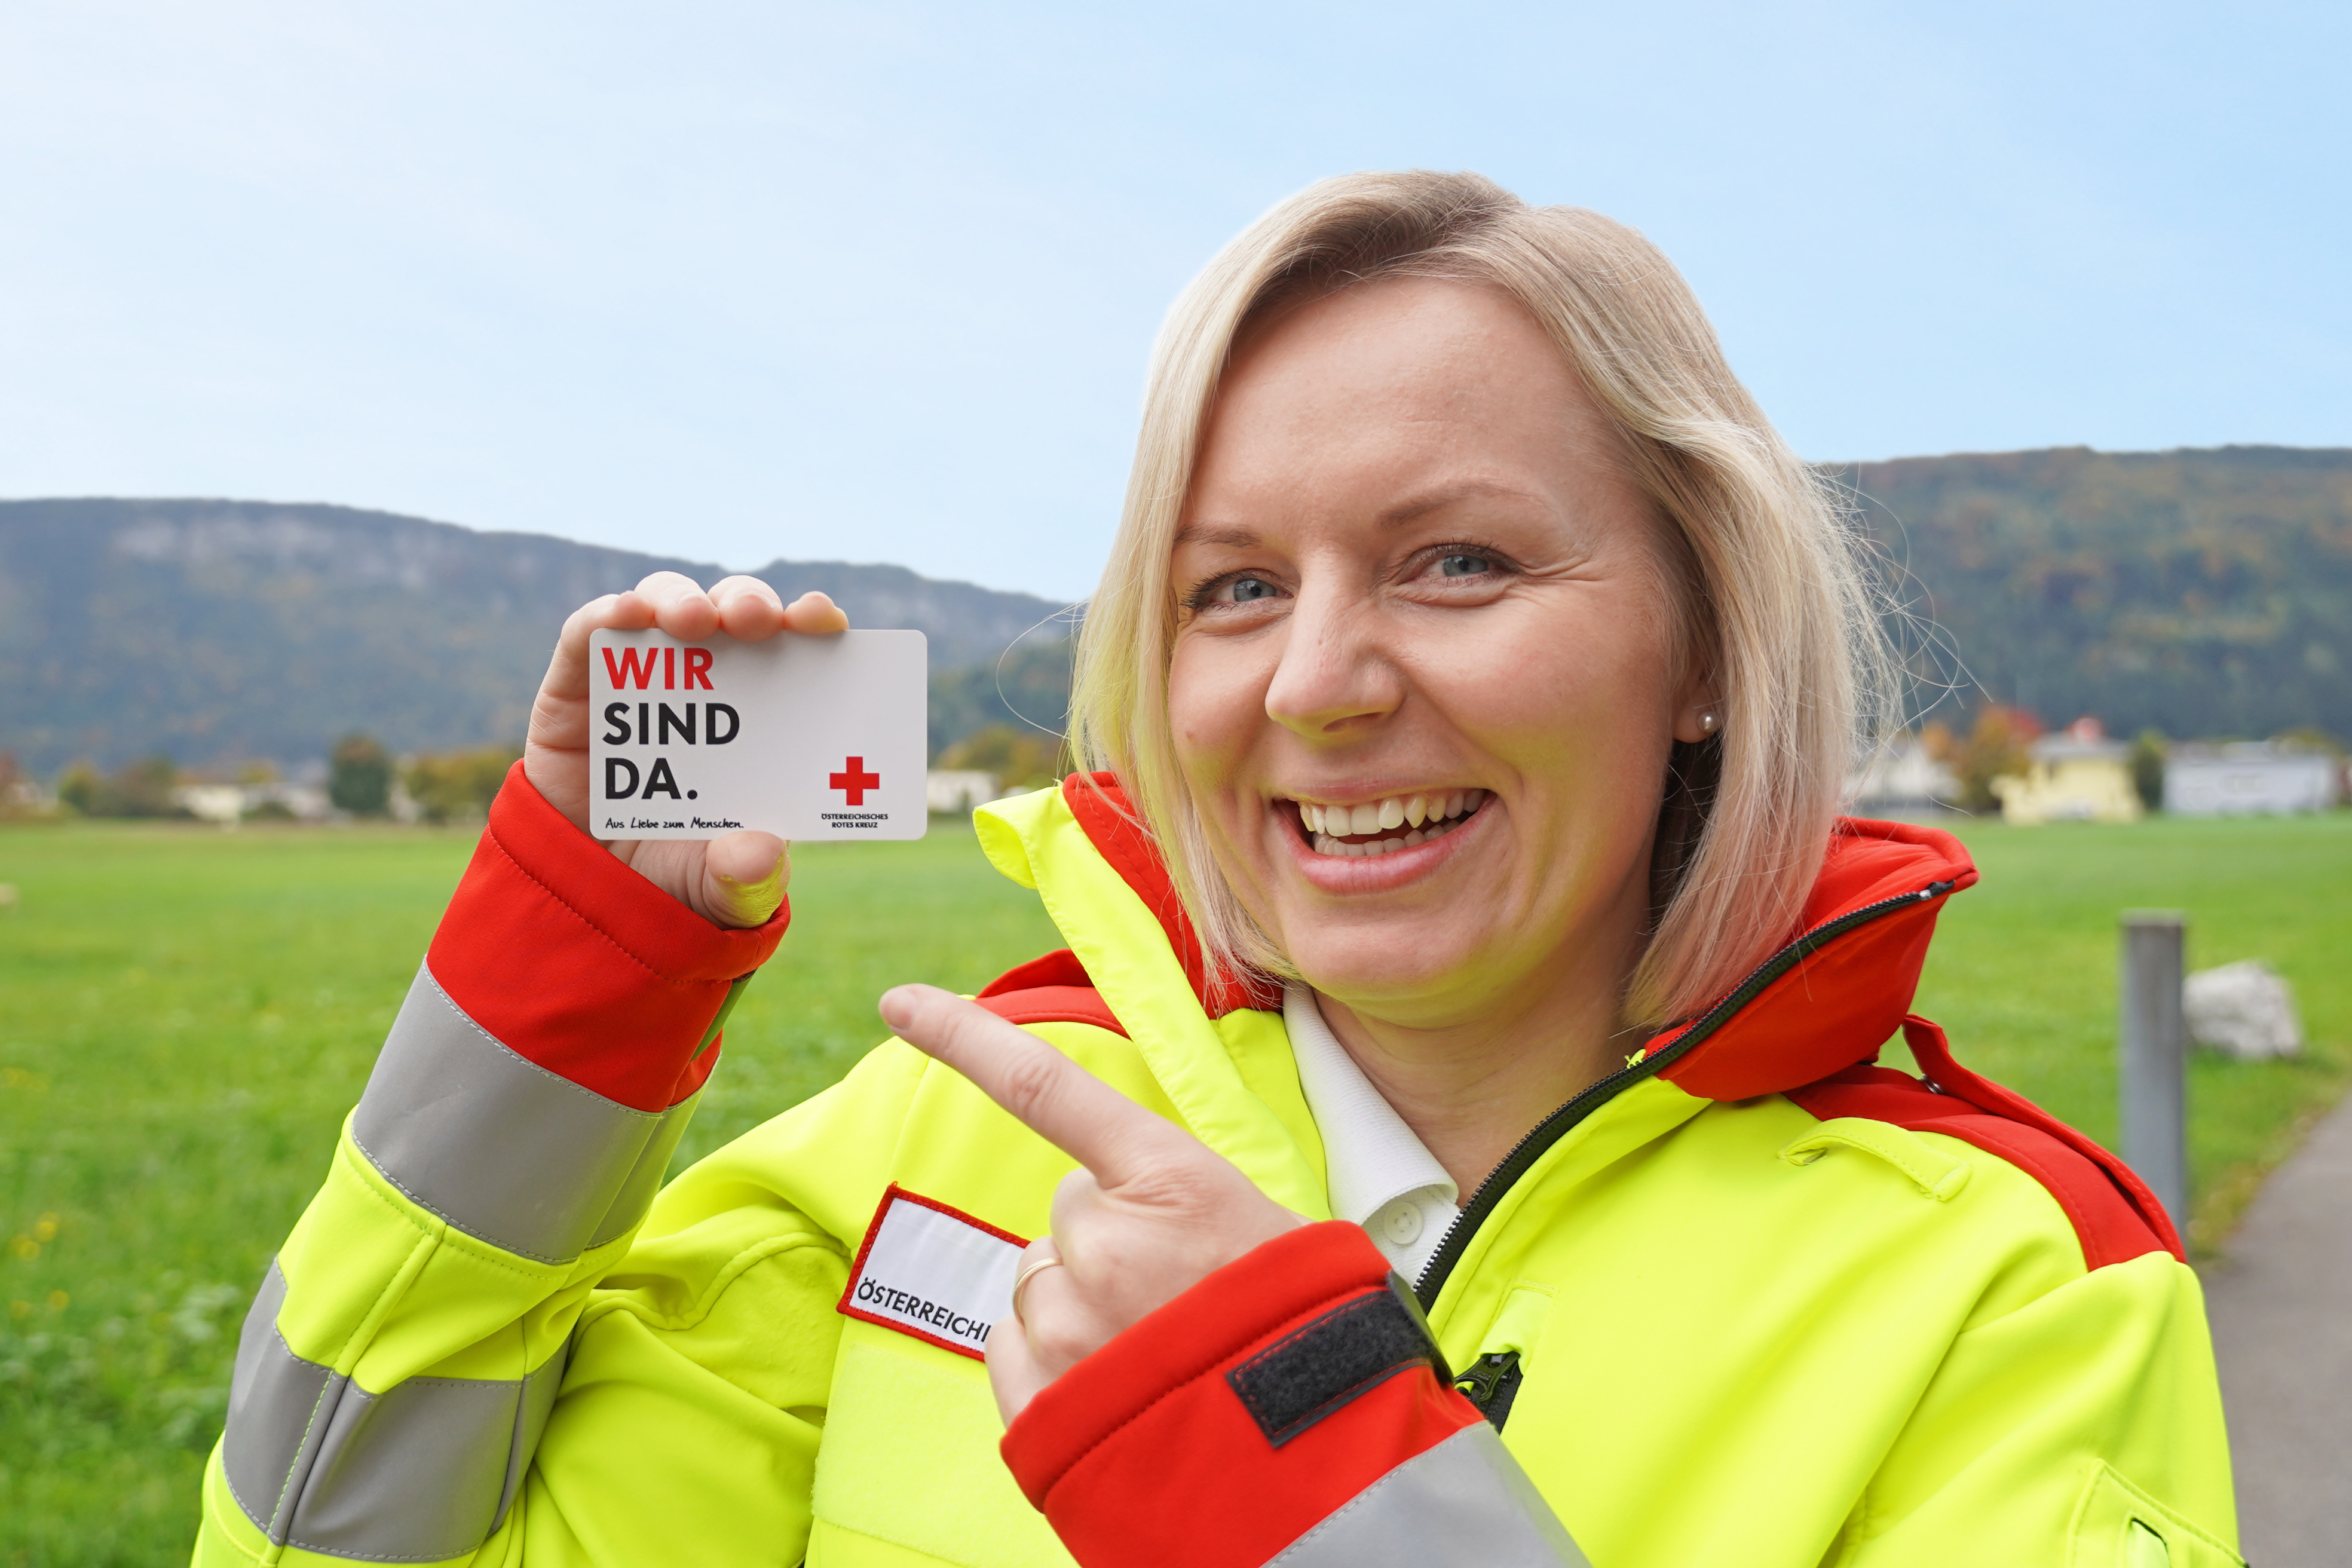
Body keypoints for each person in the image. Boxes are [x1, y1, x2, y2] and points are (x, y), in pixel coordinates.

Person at [195, 172, 2238, 1568]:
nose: (1323, 686)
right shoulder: (937, 1152)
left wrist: (1300, 1446)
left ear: (1702, 642)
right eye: (1235, 587)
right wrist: (569, 997)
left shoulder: (2008, 1288)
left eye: (1459, 562)